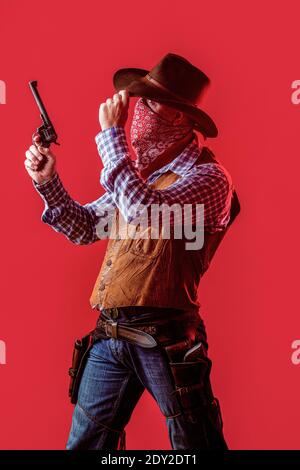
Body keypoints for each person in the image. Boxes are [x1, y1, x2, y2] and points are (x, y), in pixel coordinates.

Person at [24, 53, 240, 450]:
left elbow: (145, 213)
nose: (136, 110)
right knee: (85, 445)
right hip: (110, 334)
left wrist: (111, 137)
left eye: (148, 102)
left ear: (179, 117)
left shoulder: (211, 179)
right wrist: (47, 181)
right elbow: (86, 227)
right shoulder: (139, 176)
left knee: (196, 445)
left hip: (166, 338)